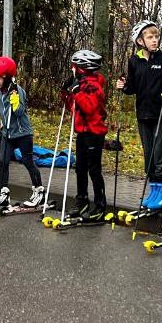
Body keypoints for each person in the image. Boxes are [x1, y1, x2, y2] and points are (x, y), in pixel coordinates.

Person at [117, 19, 162, 211]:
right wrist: (123, 86)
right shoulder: (134, 61)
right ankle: (154, 191)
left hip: (161, 114)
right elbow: (132, 87)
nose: (155, 40)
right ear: (140, 41)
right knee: (149, 156)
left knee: (160, 156)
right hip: (143, 114)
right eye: (150, 37)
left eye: (156, 36)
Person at [0, 56, 45, 210]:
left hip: (22, 133)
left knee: (27, 161)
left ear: (5, 77)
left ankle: (39, 192)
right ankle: (2, 194)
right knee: (2, 162)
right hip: (7, 133)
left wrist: (15, 102)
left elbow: (19, 112)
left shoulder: (17, 90)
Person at [63, 49, 108, 220]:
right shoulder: (81, 84)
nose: (72, 69)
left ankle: (100, 205)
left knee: (94, 170)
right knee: (80, 168)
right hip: (82, 131)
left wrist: (77, 91)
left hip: (94, 133)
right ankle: (82, 200)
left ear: (81, 68)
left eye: (74, 66)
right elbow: (73, 107)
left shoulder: (92, 85)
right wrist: (65, 92)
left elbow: (89, 108)